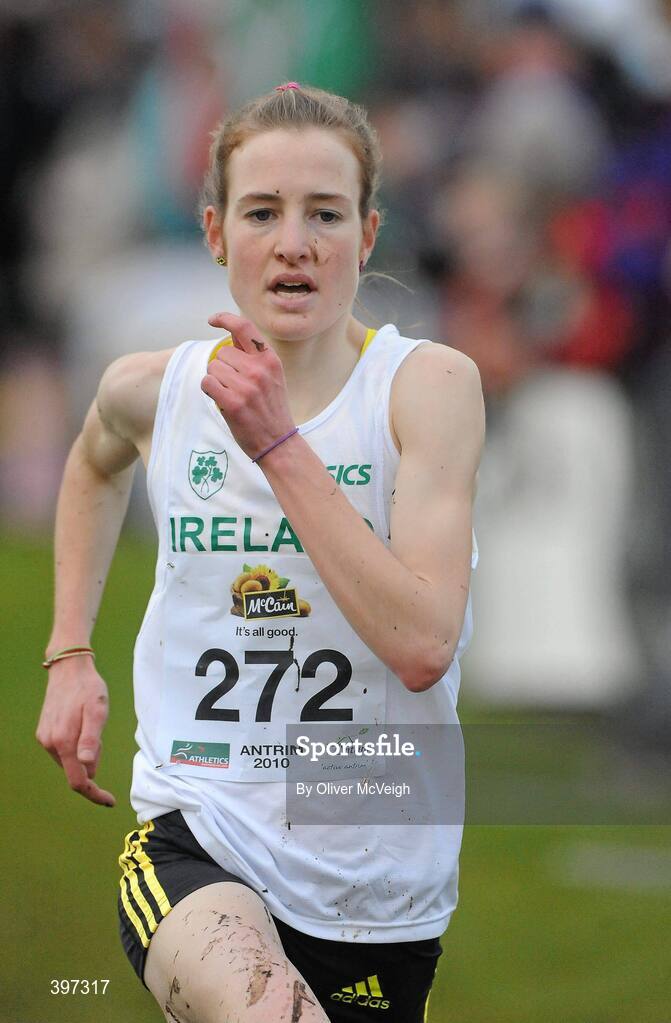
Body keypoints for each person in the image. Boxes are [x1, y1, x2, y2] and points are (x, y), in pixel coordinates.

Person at [36, 83, 484, 1023]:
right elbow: (92, 460)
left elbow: (420, 645)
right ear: (214, 232)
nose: (293, 243)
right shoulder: (154, 389)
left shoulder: (426, 388)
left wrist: (277, 443)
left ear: (367, 235)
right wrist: (69, 651)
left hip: (377, 876)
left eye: (325, 213)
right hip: (202, 830)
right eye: (261, 212)